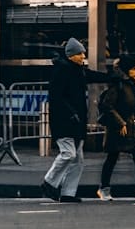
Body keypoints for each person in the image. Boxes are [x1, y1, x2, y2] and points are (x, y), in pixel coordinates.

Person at [41, 38, 107, 202]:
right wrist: (71, 113)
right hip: (63, 121)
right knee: (68, 154)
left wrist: (112, 78)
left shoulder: (77, 70)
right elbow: (56, 97)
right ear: (70, 55)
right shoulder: (61, 71)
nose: (83, 56)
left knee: (77, 159)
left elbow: (92, 76)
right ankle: (49, 183)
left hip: (76, 121)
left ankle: (68, 193)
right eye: (80, 53)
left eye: (83, 53)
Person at [96, 55, 135, 201]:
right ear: (126, 70)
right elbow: (108, 106)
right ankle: (104, 188)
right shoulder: (118, 85)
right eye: (133, 69)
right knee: (112, 156)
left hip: (132, 126)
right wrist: (120, 122)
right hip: (119, 128)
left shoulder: (133, 85)